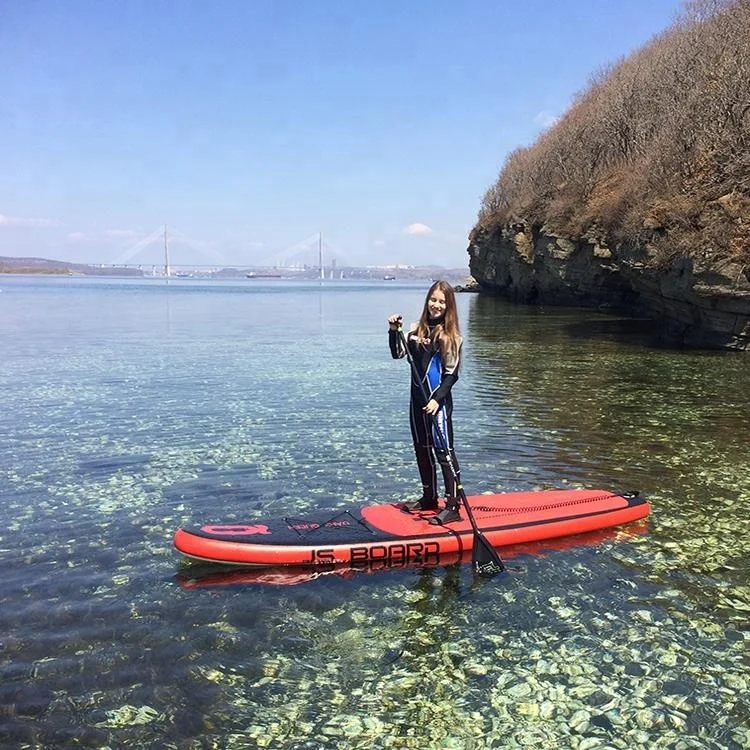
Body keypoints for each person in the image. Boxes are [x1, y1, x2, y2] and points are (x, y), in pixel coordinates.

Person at [388, 280, 463, 525]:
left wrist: (437, 400)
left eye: (442, 301)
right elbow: (398, 354)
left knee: (444, 453)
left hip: (437, 403)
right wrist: (393, 331)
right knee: (422, 448)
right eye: (433, 299)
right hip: (416, 401)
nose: (436, 305)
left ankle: (453, 506)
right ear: (427, 300)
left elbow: (452, 374)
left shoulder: (450, 336)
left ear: (448, 305)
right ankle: (429, 497)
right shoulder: (414, 330)